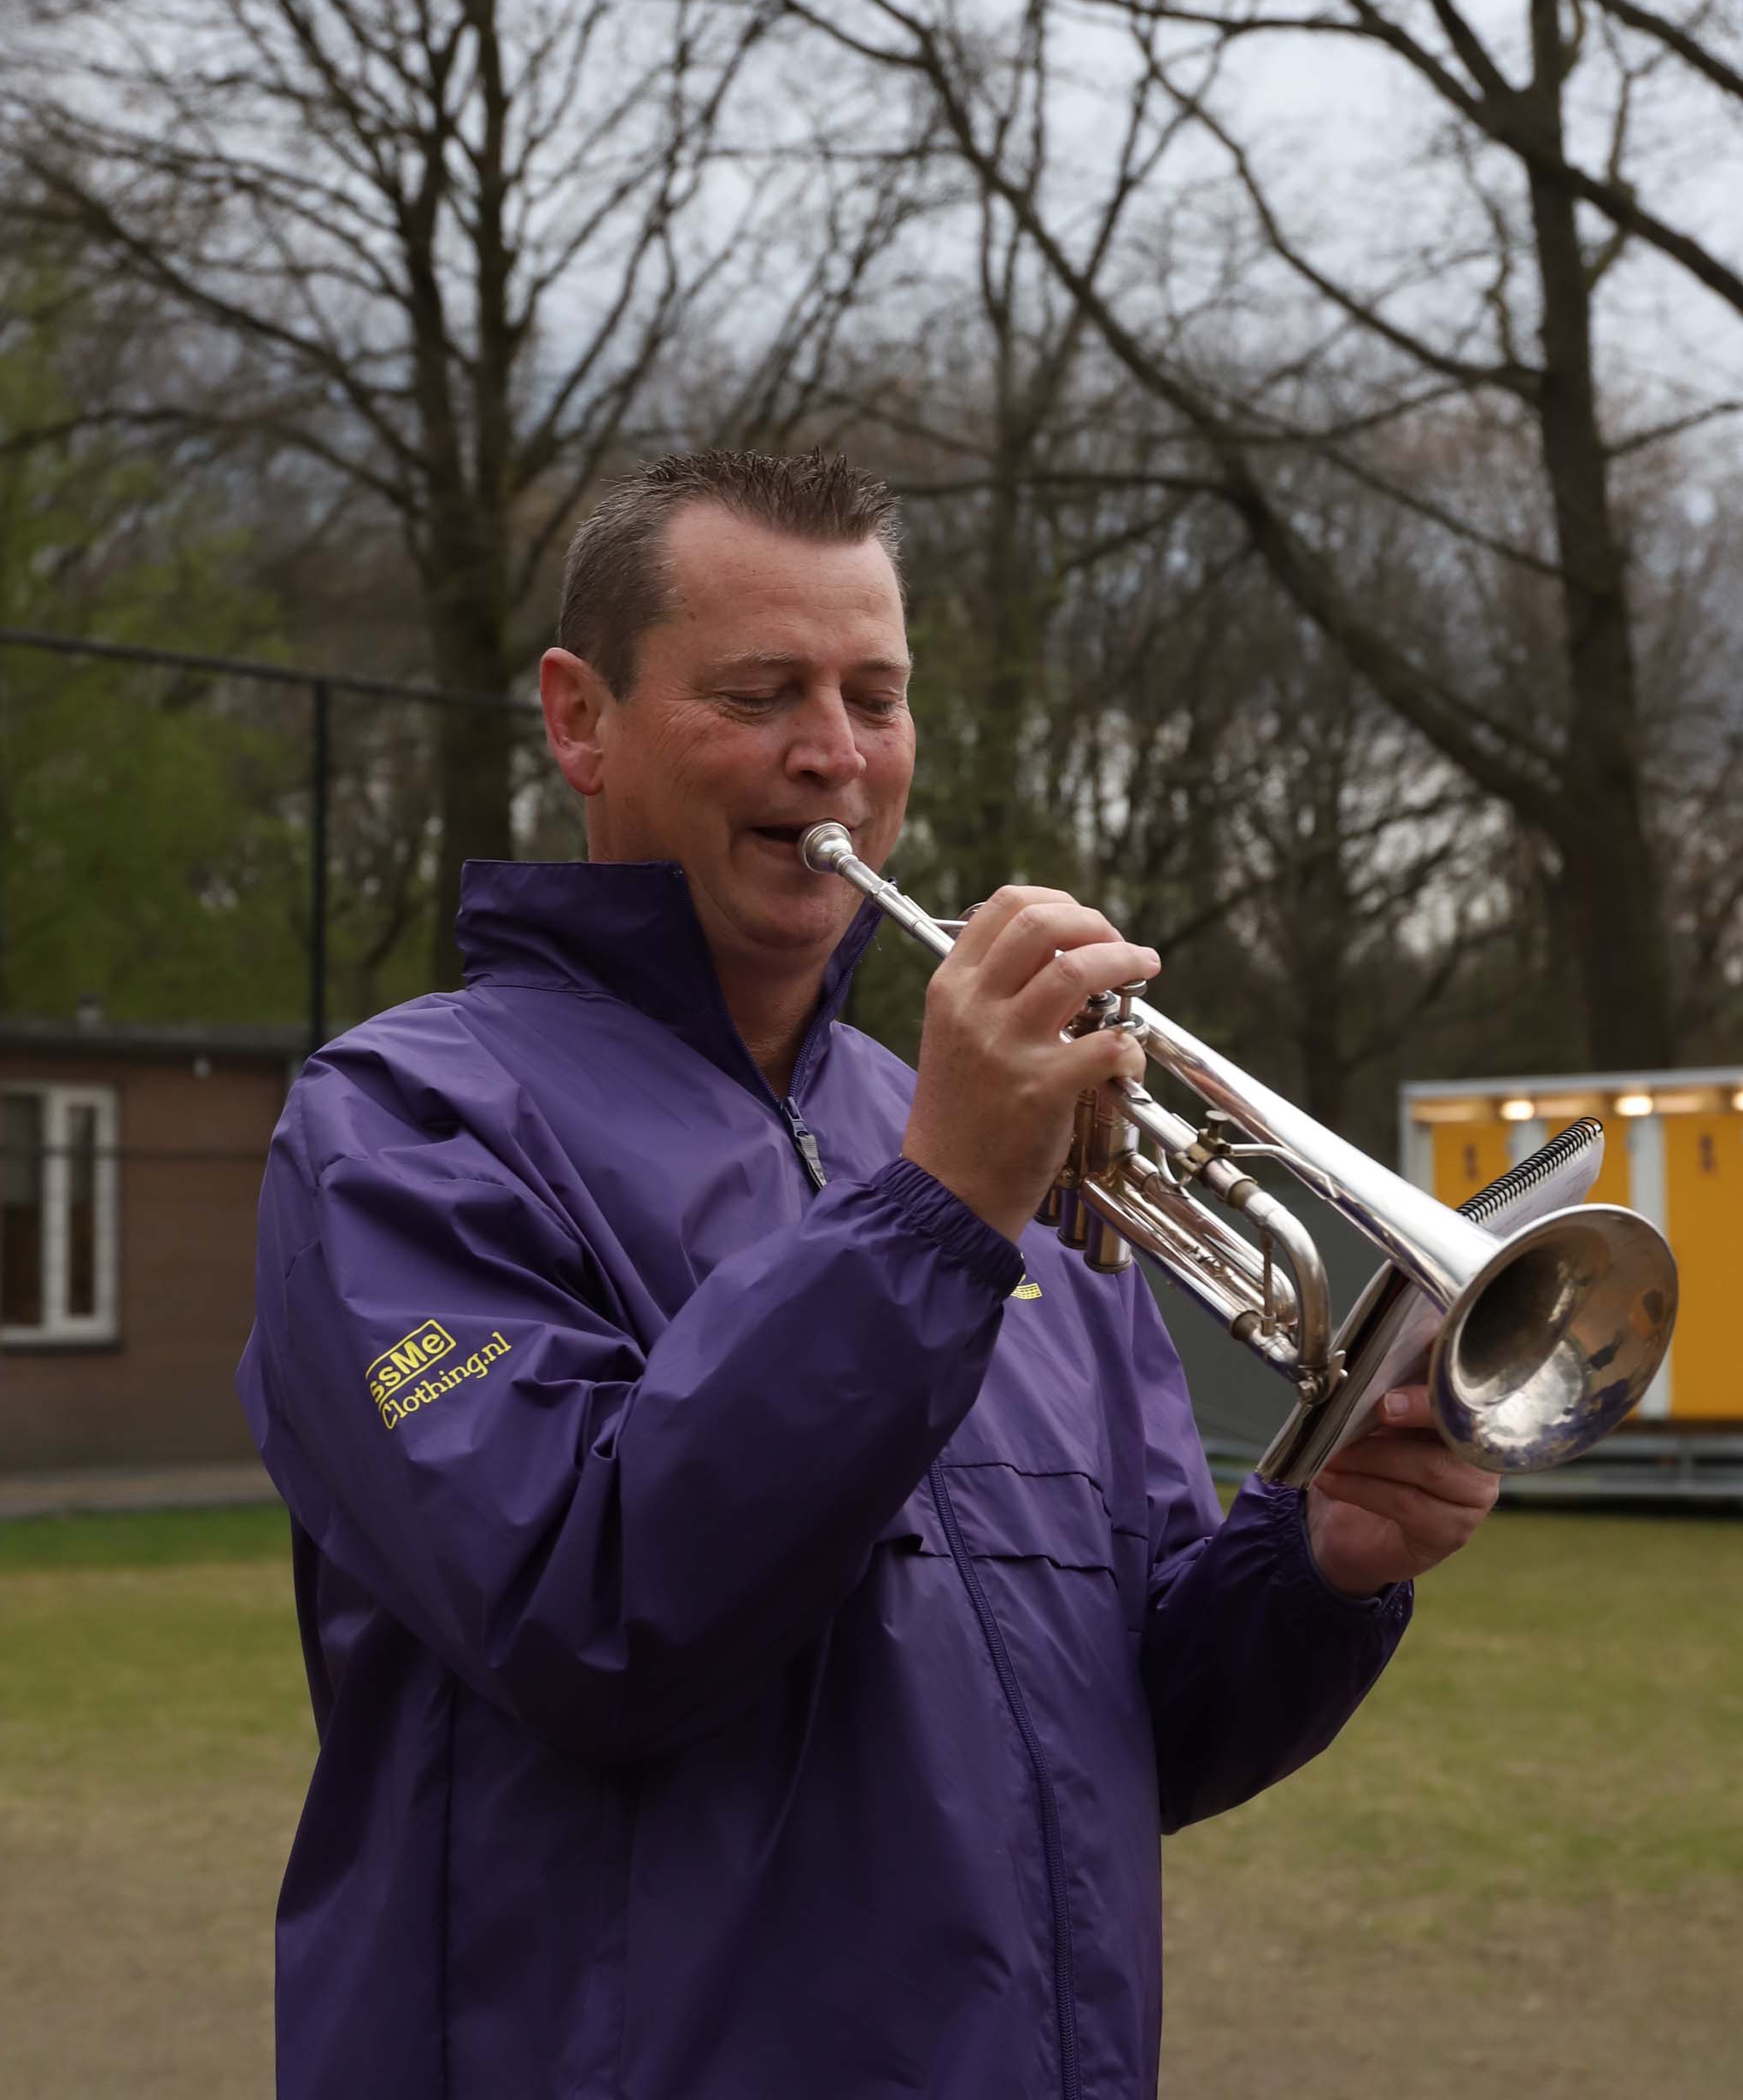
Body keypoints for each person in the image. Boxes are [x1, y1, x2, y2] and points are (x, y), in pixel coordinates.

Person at [237, 447, 1498, 2100]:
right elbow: (592, 1605)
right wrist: (939, 1210)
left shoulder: (993, 1156)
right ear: (579, 718)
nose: (833, 756)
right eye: (760, 692)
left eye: (875, 696)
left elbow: (1133, 1733)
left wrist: (1317, 1565)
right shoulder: (398, 1130)